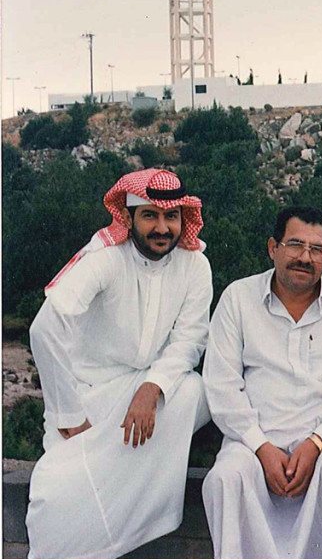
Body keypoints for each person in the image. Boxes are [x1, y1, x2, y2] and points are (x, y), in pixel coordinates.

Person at [26, 168, 212, 559]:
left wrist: (153, 387)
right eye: (150, 216)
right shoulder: (105, 258)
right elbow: (45, 329)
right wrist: (69, 414)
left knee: (194, 390)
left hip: (145, 389)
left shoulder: (195, 266)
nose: (162, 227)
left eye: (172, 217)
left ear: (183, 219)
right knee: (59, 489)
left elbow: (190, 340)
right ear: (129, 217)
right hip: (88, 396)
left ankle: (137, 525)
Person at [202, 207, 322, 559]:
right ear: (273, 248)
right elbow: (221, 384)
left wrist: (317, 442)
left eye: (317, 250)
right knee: (226, 477)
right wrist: (260, 446)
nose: (305, 257)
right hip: (255, 437)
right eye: (295, 245)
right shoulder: (238, 298)